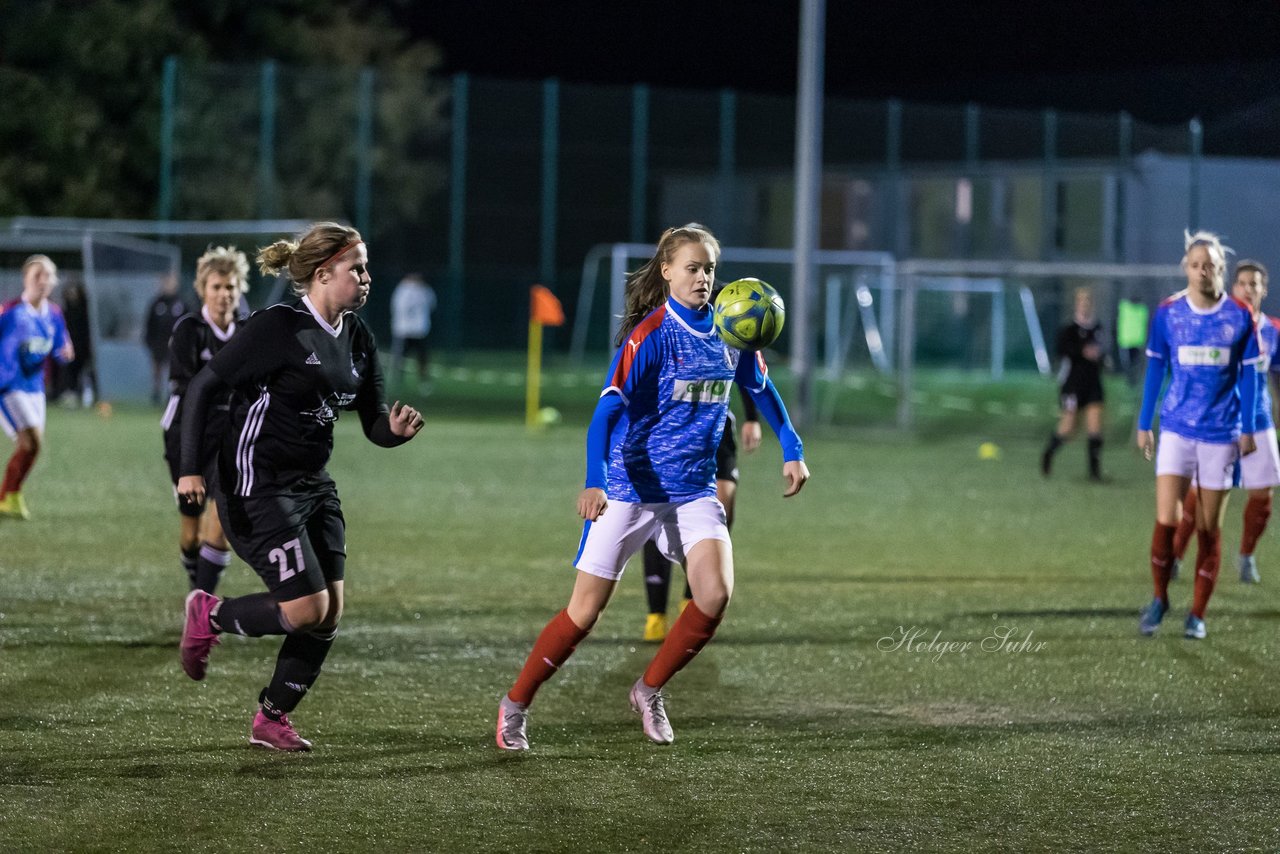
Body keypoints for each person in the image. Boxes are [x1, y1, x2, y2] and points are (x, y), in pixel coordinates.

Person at [495, 223, 810, 751]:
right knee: (583, 615)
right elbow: (605, 413)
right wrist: (595, 482)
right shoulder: (653, 335)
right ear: (666, 271)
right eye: (692, 268)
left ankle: (648, 690)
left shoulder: (733, 330)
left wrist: (793, 448)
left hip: (691, 490)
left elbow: (762, 388)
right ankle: (515, 705)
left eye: (709, 268)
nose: (703, 278)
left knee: (715, 595)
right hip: (630, 488)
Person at [176, 223, 424, 751]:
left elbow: (373, 421)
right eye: (355, 267)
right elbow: (203, 386)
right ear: (322, 274)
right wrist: (190, 469)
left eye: (365, 266)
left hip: (313, 486)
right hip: (256, 485)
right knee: (306, 609)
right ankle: (209, 613)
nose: (365, 276)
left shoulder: (357, 336)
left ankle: (272, 717)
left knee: (330, 611)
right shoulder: (277, 328)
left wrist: (394, 432)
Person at [1137, 231, 1259, 640]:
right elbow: (1155, 368)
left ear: (1220, 269)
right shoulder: (1168, 313)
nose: (1202, 270)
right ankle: (1159, 598)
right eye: (1195, 264)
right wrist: (1144, 422)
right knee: (1166, 518)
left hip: (1221, 434)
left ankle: (1198, 613)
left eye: (1209, 264)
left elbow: (1249, 374)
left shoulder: (1239, 316)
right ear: (1185, 268)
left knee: (1208, 528)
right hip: (1176, 429)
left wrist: (1247, 428)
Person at [1170, 259, 1280, 585]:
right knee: (1200, 496)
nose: (1248, 289)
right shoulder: (1220, 323)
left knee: (1263, 494)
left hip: (1258, 421)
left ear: (1264, 290)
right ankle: (1176, 555)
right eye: (1242, 283)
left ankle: (1245, 555)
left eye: (1254, 284)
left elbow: (1276, 376)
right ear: (1233, 287)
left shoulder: (1273, 330)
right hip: (1218, 421)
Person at [161, 247, 250, 594]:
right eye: (216, 287)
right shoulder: (189, 329)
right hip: (187, 434)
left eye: (230, 287)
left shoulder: (249, 329)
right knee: (191, 532)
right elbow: (188, 388)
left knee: (223, 517)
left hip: (231, 435)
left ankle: (203, 600)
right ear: (203, 289)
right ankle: (196, 585)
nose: (224, 295)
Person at [642, 385, 760, 641]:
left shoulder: (725, 346)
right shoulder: (657, 345)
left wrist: (752, 417)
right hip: (669, 427)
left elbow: (748, 362)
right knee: (660, 514)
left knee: (722, 507)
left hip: (715, 427)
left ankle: (692, 601)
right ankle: (656, 616)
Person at [0, 255, 74, 520]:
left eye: (47, 276)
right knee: (32, 440)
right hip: (9, 386)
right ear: (26, 280)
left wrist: (65, 351)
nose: (42, 281)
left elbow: (60, 347)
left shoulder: (53, 314)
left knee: (31, 447)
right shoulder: (9, 312)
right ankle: (8, 496)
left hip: (35, 387)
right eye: (36, 276)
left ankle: (10, 495)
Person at [1041, 287, 1107, 481]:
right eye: (1081, 301)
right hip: (1072, 385)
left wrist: (1101, 357)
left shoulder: (1098, 329)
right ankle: (1049, 453)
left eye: (1088, 301)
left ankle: (1094, 473)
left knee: (1095, 427)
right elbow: (1062, 351)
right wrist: (1082, 352)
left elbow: (1102, 351)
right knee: (1069, 427)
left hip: (1093, 383)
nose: (1085, 305)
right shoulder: (1069, 330)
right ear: (1076, 304)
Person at [144, 272, 186, 404]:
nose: (168, 285)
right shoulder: (156, 303)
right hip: (158, 343)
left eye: (170, 282)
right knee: (157, 369)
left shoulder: (181, 303)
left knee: (173, 370)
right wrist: (149, 341)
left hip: (176, 344)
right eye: (165, 282)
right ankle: (156, 394)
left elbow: (188, 322)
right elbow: (149, 323)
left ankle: (172, 394)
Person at [389, 273, 437, 389]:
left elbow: (395, 307)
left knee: (417, 358)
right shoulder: (412, 289)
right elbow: (432, 305)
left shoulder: (410, 289)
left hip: (412, 330)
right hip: (410, 330)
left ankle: (421, 381)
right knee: (403, 358)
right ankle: (398, 380)